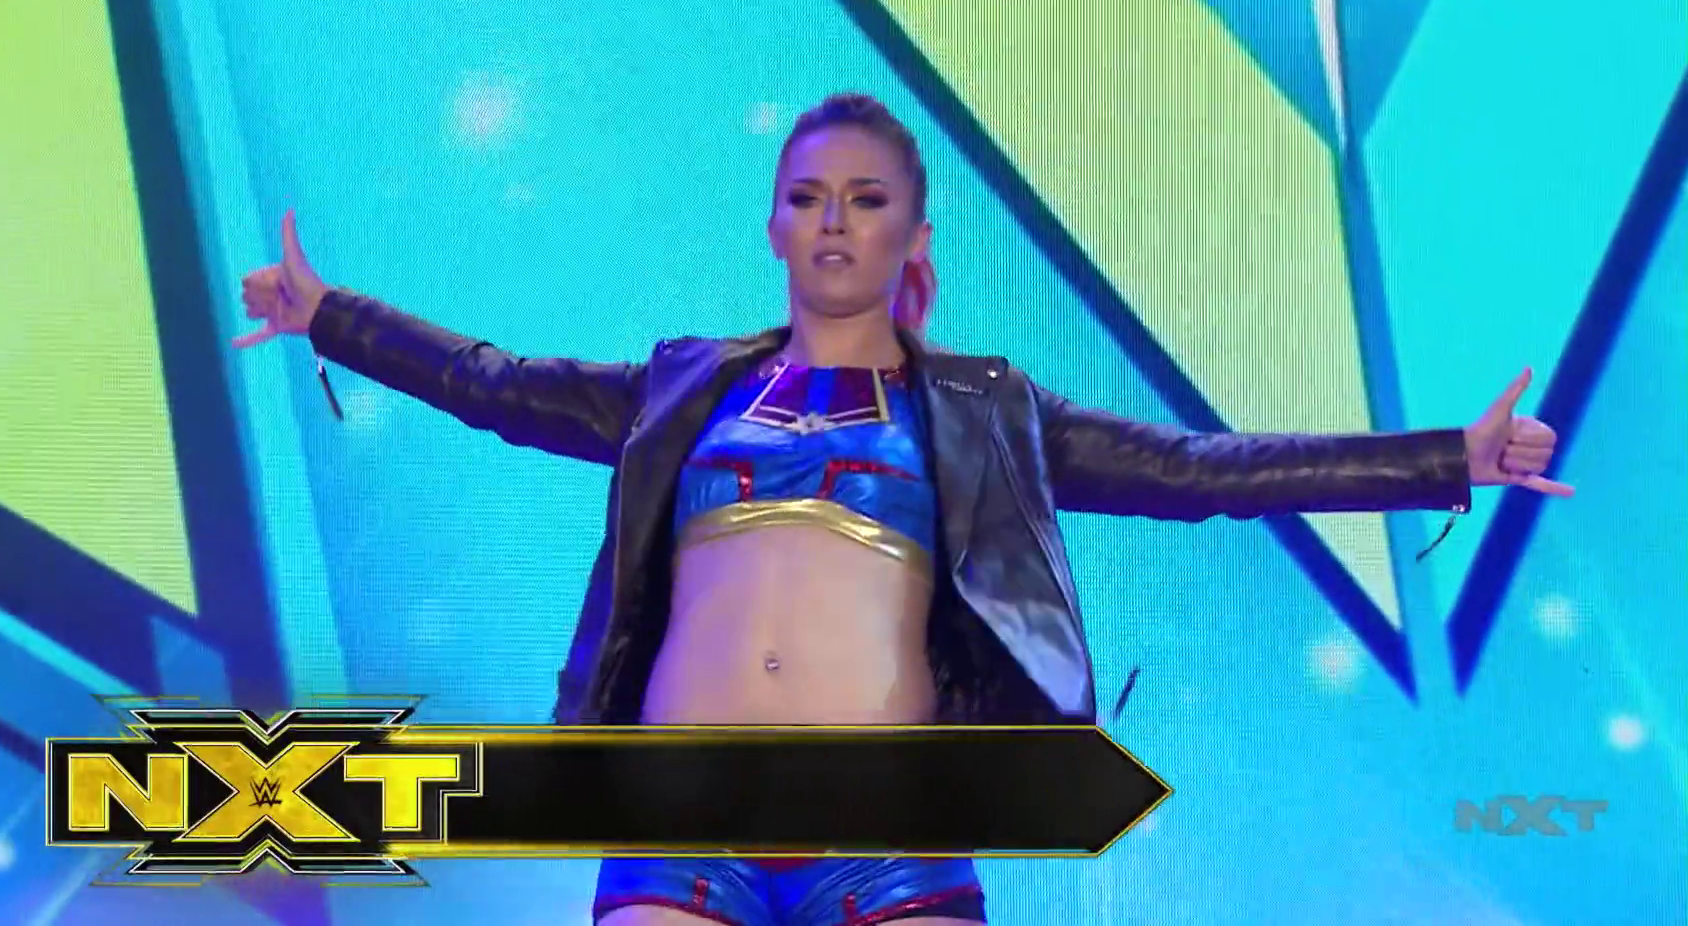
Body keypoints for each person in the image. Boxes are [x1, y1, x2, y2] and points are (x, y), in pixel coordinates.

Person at [234, 93, 1571, 926]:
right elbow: (495, 385)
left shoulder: (990, 412)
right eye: (808, 198)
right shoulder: (682, 390)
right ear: (775, 225)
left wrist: (1447, 458)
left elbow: (1204, 469)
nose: (835, 222)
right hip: (678, 834)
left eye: (866, 200)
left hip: (892, 843)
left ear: (911, 238)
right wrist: (325, 314)